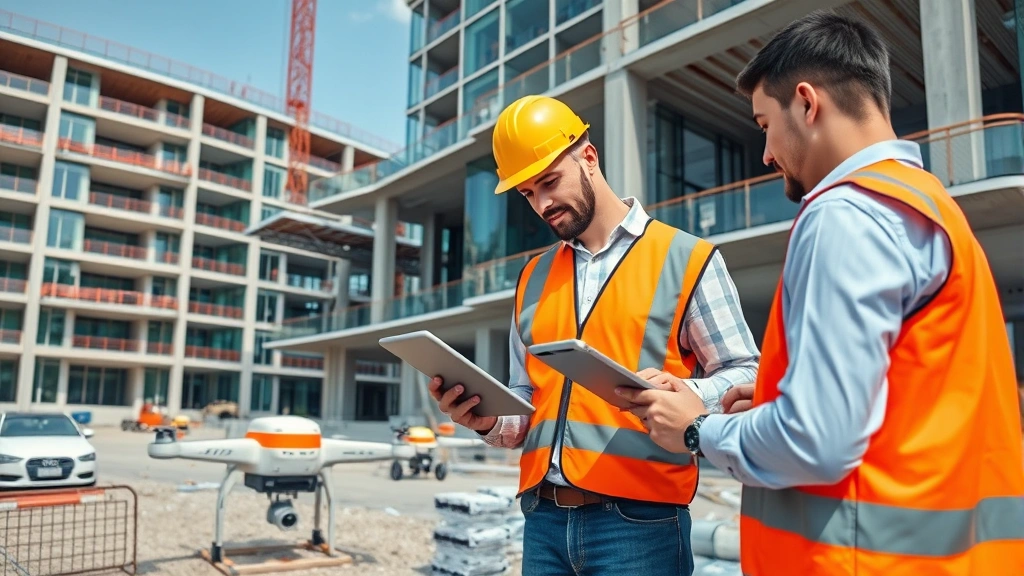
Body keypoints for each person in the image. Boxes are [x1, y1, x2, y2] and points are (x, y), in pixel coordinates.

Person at [615, 10, 1024, 575]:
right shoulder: (929, 208)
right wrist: (777, 397)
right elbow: (907, 401)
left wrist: (696, 428)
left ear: (807, 104)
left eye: (763, 125)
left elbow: (817, 441)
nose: (764, 154)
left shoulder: (843, 215)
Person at [428, 94, 761, 575]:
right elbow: (528, 407)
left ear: (588, 157)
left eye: (548, 181)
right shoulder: (532, 278)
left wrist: (680, 392)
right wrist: (483, 418)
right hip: (542, 520)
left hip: (639, 524)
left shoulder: (686, 258)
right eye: (527, 194)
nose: (542, 204)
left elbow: (745, 373)